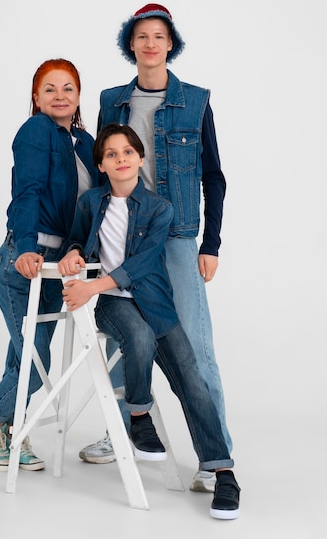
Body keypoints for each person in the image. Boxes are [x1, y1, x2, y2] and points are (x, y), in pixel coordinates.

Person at [79, 3, 231, 494]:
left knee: (194, 347)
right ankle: (122, 428)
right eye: (141, 36)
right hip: (124, 233)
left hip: (180, 234)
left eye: (159, 36)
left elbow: (214, 176)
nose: (150, 44)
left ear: (170, 44)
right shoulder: (112, 100)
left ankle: (215, 459)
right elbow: (99, 162)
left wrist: (211, 242)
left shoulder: (195, 100)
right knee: (130, 331)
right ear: (131, 44)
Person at [58, 123, 240, 519]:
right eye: (111, 154)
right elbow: (76, 237)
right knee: (137, 338)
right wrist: (73, 253)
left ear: (140, 159)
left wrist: (90, 286)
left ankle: (221, 470)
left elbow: (141, 265)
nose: (120, 159)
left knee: (192, 379)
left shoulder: (160, 209)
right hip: (113, 304)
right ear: (101, 165)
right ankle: (139, 416)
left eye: (127, 152)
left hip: (155, 303)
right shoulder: (90, 203)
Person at [0, 59, 102, 471]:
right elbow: (26, 192)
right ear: (36, 97)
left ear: (79, 96)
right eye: (50, 89)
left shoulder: (85, 142)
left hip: (57, 268)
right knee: (36, 359)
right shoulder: (35, 132)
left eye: (68, 88)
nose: (60, 96)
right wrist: (28, 246)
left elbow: (94, 205)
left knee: (23, 355)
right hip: (24, 263)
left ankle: (12, 429)